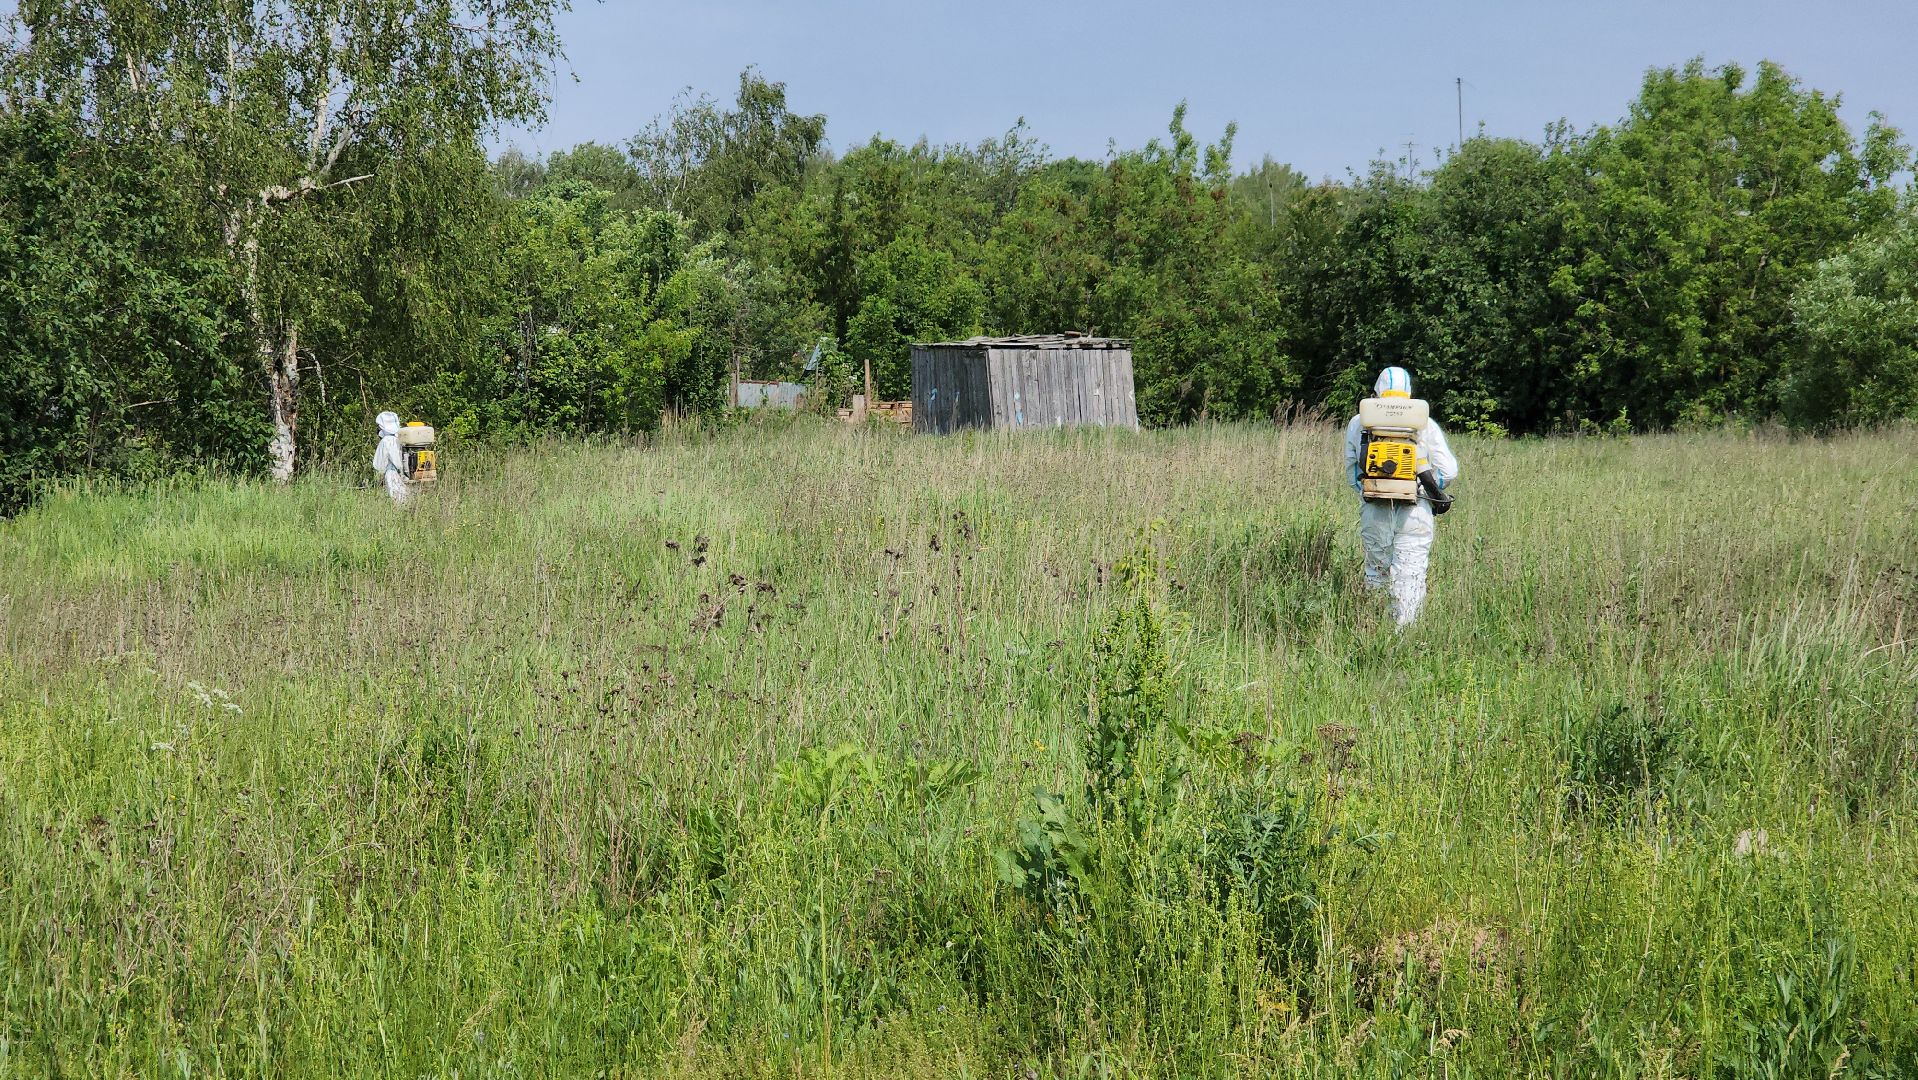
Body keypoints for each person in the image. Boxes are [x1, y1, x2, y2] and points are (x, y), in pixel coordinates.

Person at [1342, 367, 1458, 626]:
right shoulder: (1424, 423)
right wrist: (1421, 487)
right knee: (1411, 575)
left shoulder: (1358, 423)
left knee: (1376, 572)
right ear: (1409, 393)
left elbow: (1353, 472)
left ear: (1376, 392)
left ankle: (1375, 628)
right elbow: (1449, 470)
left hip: (1375, 509)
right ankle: (1404, 633)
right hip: (1415, 511)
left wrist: (1374, 488)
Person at [371, 410, 410, 504]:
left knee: (398, 500)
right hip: (404, 474)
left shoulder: (386, 441)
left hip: (392, 474)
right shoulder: (399, 439)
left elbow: (379, 464)